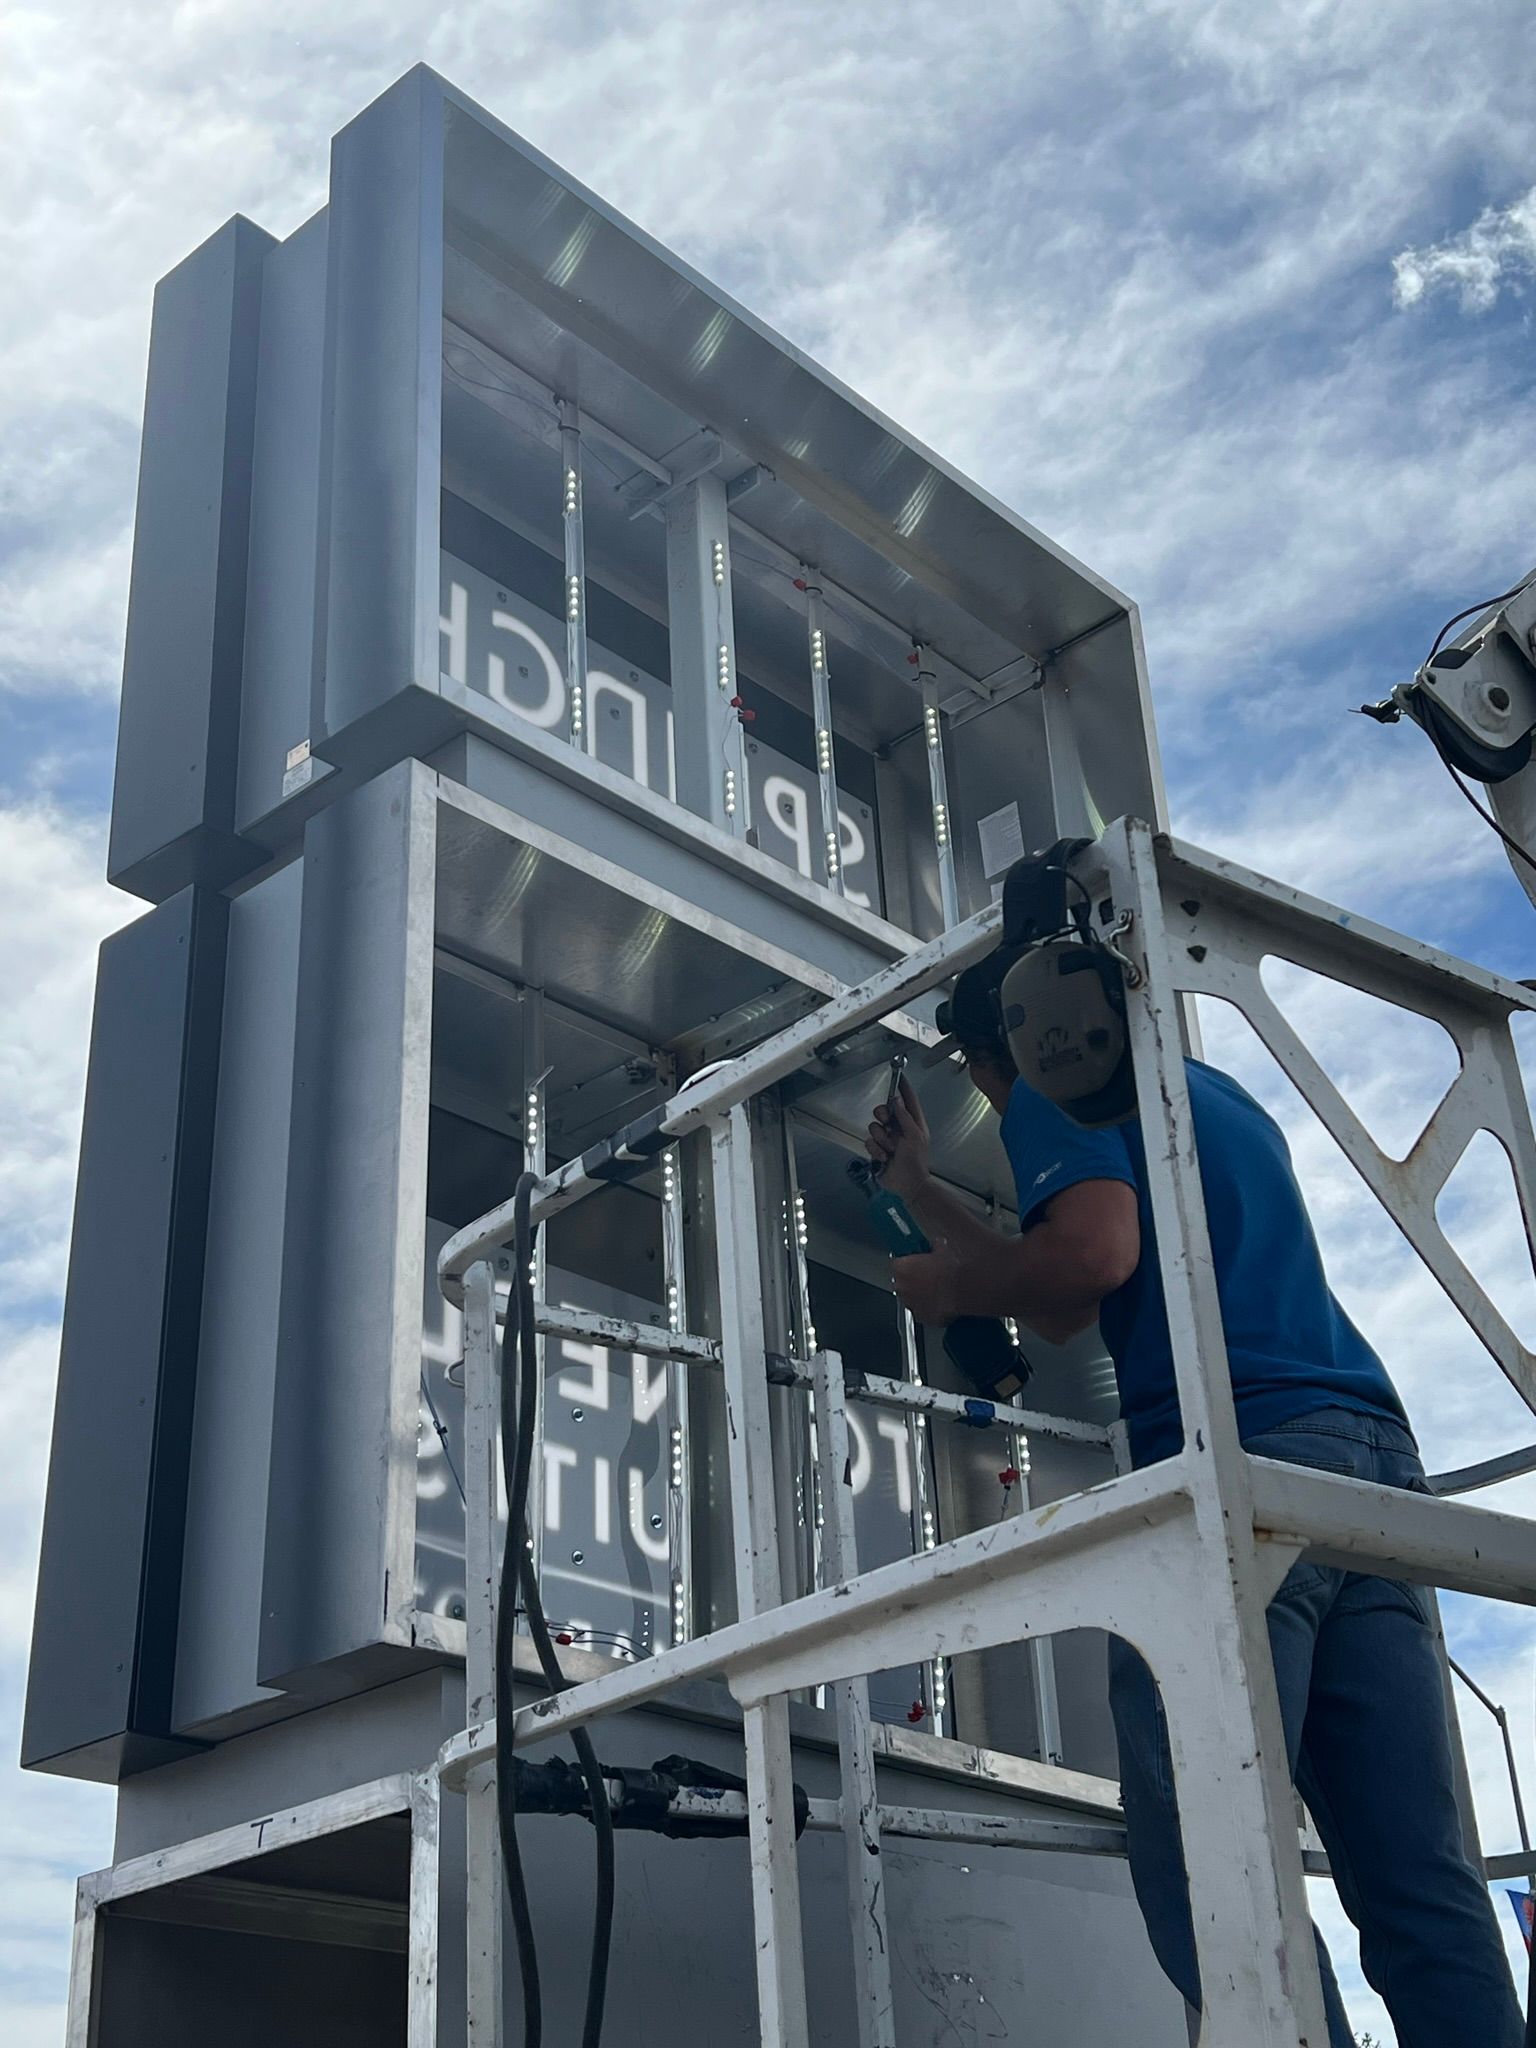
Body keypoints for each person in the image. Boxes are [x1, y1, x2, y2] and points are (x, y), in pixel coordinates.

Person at [865, 962, 1523, 2048]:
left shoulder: (1052, 1083)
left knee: (1206, 1847)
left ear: (1007, 1048)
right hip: (1366, 1463)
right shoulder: (1207, 1090)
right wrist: (926, 1195)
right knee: (1415, 1871)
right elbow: (1085, 1301)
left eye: (986, 1078)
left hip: (1241, 1454)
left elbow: (1088, 1255)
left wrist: (944, 1289)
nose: (997, 1097)